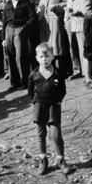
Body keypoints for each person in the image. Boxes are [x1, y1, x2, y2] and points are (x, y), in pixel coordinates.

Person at [27, 42, 71, 176]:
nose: (44, 59)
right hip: (39, 106)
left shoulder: (57, 73)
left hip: (53, 106)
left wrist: (57, 102)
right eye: (41, 57)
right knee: (41, 134)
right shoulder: (33, 75)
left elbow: (62, 90)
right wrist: (35, 102)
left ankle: (60, 159)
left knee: (56, 134)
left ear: (52, 57)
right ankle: (43, 159)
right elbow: (30, 91)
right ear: (37, 58)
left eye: (47, 57)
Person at [2, 0, 37, 90]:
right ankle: (14, 83)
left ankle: (24, 81)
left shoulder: (26, 3)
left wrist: (24, 28)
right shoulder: (8, 4)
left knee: (21, 56)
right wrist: (4, 37)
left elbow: (32, 18)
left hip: (20, 30)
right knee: (10, 56)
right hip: (9, 30)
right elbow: (4, 21)